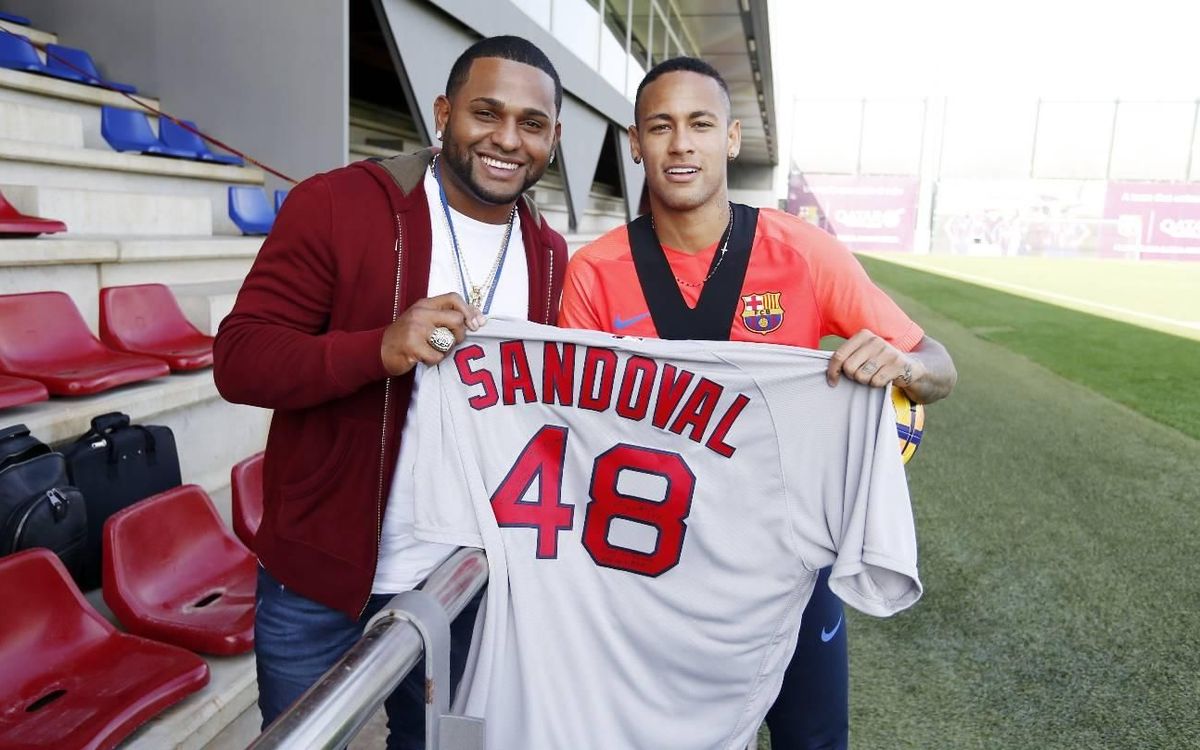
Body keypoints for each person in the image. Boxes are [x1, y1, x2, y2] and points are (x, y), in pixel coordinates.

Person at [558, 57, 957, 750]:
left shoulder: (802, 254)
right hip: (652, 563)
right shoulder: (594, 273)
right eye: (661, 126)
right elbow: (573, 432)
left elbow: (939, 367)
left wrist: (906, 365)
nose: (681, 143)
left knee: (813, 739)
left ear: (732, 138)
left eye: (700, 124)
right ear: (635, 143)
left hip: (788, 557)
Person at [213, 36, 567, 749]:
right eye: (486, 113)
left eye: (531, 124)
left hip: (464, 579)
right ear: (443, 113)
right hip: (318, 577)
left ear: (553, 139)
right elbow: (239, 359)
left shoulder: (550, 254)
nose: (507, 140)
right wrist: (379, 348)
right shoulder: (339, 204)